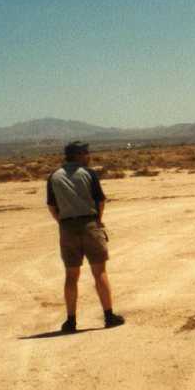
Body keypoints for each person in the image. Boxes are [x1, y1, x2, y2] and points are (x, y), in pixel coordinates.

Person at [46, 141, 124, 333]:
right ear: (79, 155)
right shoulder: (88, 173)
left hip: (67, 227)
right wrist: (97, 220)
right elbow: (100, 200)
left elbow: (51, 206)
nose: (89, 156)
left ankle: (70, 321)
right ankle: (109, 316)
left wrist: (62, 223)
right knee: (99, 272)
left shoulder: (53, 177)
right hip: (89, 224)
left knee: (71, 275)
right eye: (86, 153)